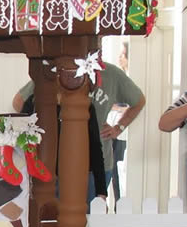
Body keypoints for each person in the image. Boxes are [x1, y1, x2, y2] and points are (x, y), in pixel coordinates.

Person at [12, 61, 145, 199]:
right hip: (52, 166)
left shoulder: (110, 77)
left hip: (93, 167)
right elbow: (19, 103)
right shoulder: (51, 73)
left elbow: (138, 101)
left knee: (89, 215)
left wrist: (119, 127)